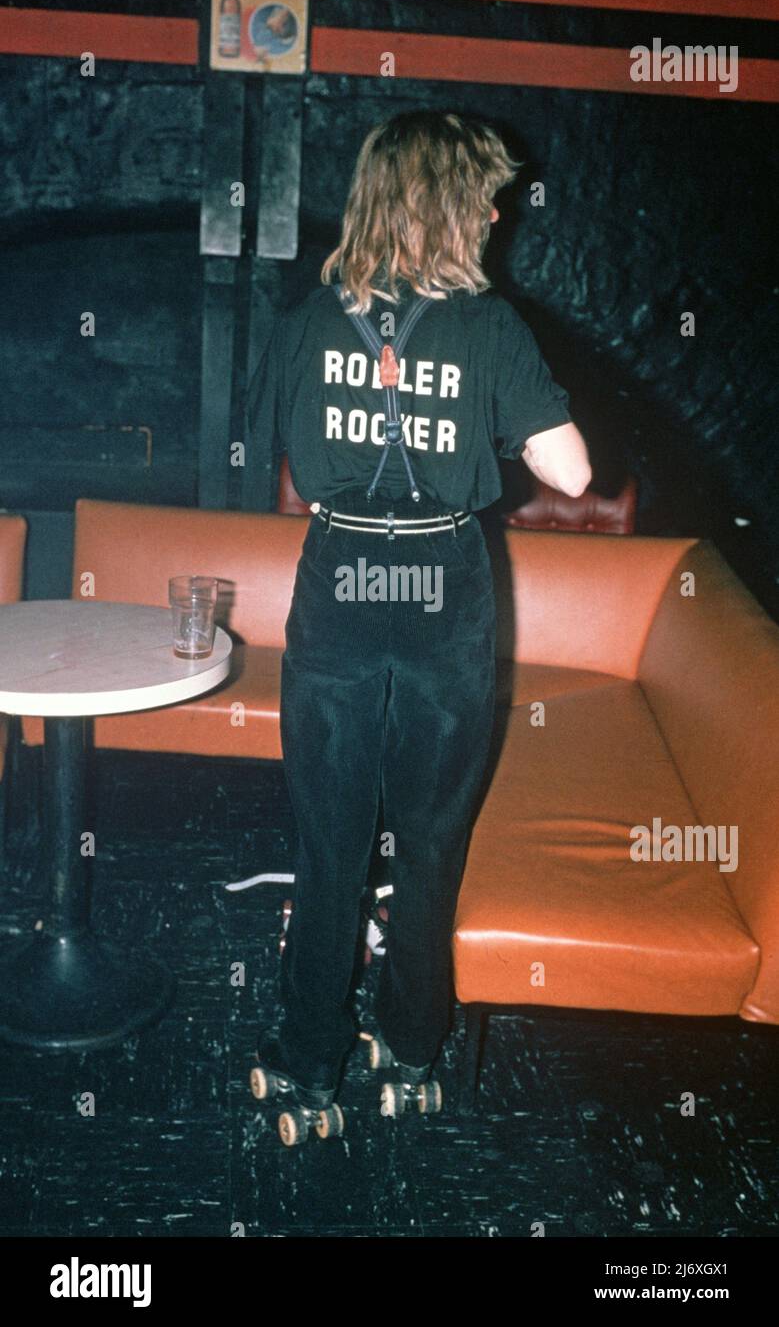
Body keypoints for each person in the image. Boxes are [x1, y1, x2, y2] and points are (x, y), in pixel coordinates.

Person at [244, 110, 591, 1114]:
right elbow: (570, 472)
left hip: (343, 578)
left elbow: (273, 448)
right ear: (446, 207)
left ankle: (309, 1063)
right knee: (432, 839)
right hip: (443, 585)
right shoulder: (490, 327)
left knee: (328, 843)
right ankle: (414, 1050)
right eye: (481, 194)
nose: (494, 211)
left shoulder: (307, 316)